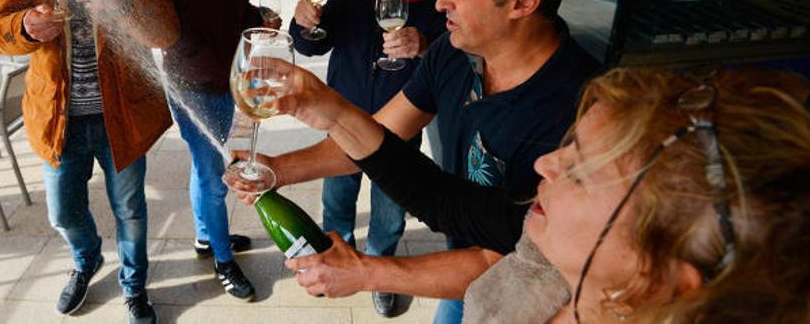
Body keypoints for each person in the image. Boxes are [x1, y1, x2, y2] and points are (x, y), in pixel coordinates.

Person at [251, 0, 600, 323]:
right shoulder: (453, 52)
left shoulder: (583, 114)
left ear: (522, 2)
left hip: (524, 297)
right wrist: (274, 168)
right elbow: (381, 138)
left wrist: (365, 272)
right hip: (458, 259)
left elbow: (511, 258)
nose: (441, 0)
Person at [270, 61, 810, 323]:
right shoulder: (545, 252)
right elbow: (438, 198)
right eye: (571, 145)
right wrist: (333, 111)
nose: (545, 163)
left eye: (581, 172)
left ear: (658, 279)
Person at [0, 0, 179, 324]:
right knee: (63, 213)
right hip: (59, 118)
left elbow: (165, 33)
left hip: (121, 116)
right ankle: (86, 257)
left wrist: (118, 0)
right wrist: (26, 27)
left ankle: (134, 287)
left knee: (130, 212)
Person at [287, 0, 446, 317]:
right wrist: (302, 23)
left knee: (390, 215)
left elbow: (454, 61)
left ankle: (379, 275)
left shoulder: (432, 4)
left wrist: (425, 46)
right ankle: (336, 264)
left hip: (397, 135)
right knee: (336, 205)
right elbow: (310, 48)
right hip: (342, 130)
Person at [154, 0, 275, 302]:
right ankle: (224, 262)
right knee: (214, 176)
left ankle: (207, 238)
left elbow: (234, 10)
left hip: (228, 80)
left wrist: (259, 17)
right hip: (193, 86)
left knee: (206, 171)